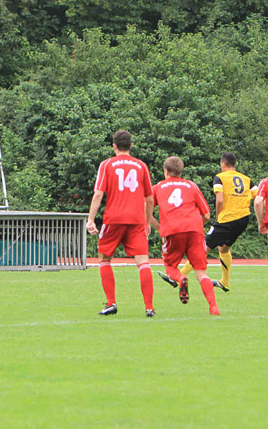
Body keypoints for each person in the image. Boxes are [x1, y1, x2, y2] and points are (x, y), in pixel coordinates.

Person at [86, 130, 156, 317]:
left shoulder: (107, 164)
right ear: (131, 145)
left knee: (104, 259)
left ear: (114, 146)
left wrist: (91, 219)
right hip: (136, 220)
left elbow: (99, 194)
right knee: (143, 262)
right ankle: (149, 307)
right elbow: (149, 199)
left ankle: (111, 303)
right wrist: (147, 221)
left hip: (114, 219)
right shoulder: (141, 166)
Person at [150, 156, 219, 315]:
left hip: (172, 230)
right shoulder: (191, 185)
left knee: (170, 267)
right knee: (201, 272)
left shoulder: (158, 187)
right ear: (181, 171)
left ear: (165, 171)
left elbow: (145, 210)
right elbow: (207, 215)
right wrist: (195, 225)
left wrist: (159, 227)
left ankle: (181, 279)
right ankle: (214, 307)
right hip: (195, 230)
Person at [179, 152, 257, 292]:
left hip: (227, 218)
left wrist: (218, 215)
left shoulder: (220, 177)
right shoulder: (246, 179)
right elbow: (258, 197)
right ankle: (225, 282)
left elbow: (220, 200)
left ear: (223, 163)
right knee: (223, 248)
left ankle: (177, 276)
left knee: (202, 247)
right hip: (244, 218)